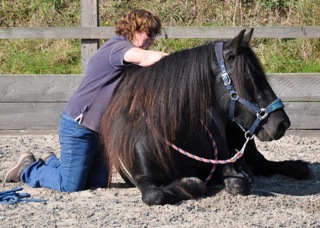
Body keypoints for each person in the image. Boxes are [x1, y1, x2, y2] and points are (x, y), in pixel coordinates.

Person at [4, 9, 168, 192]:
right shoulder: (117, 48)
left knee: (97, 180)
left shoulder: (131, 59)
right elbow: (148, 58)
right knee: (69, 185)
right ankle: (27, 169)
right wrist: (182, 62)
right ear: (134, 29)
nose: (153, 37)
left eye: (155, 34)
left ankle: (51, 161)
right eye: (149, 33)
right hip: (79, 127)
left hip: (102, 132)